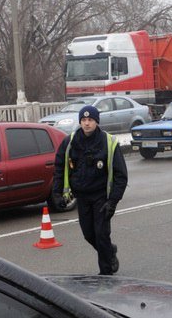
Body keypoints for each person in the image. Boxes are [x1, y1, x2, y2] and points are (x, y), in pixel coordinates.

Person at [53, 105, 128, 275]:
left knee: (101, 235)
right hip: (82, 197)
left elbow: (121, 175)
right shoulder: (70, 142)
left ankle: (106, 274)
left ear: (97, 122)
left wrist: (113, 202)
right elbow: (59, 168)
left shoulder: (108, 142)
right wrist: (57, 193)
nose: (87, 123)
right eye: (84, 120)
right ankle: (110, 251)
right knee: (88, 234)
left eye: (90, 120)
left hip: (101, 197)